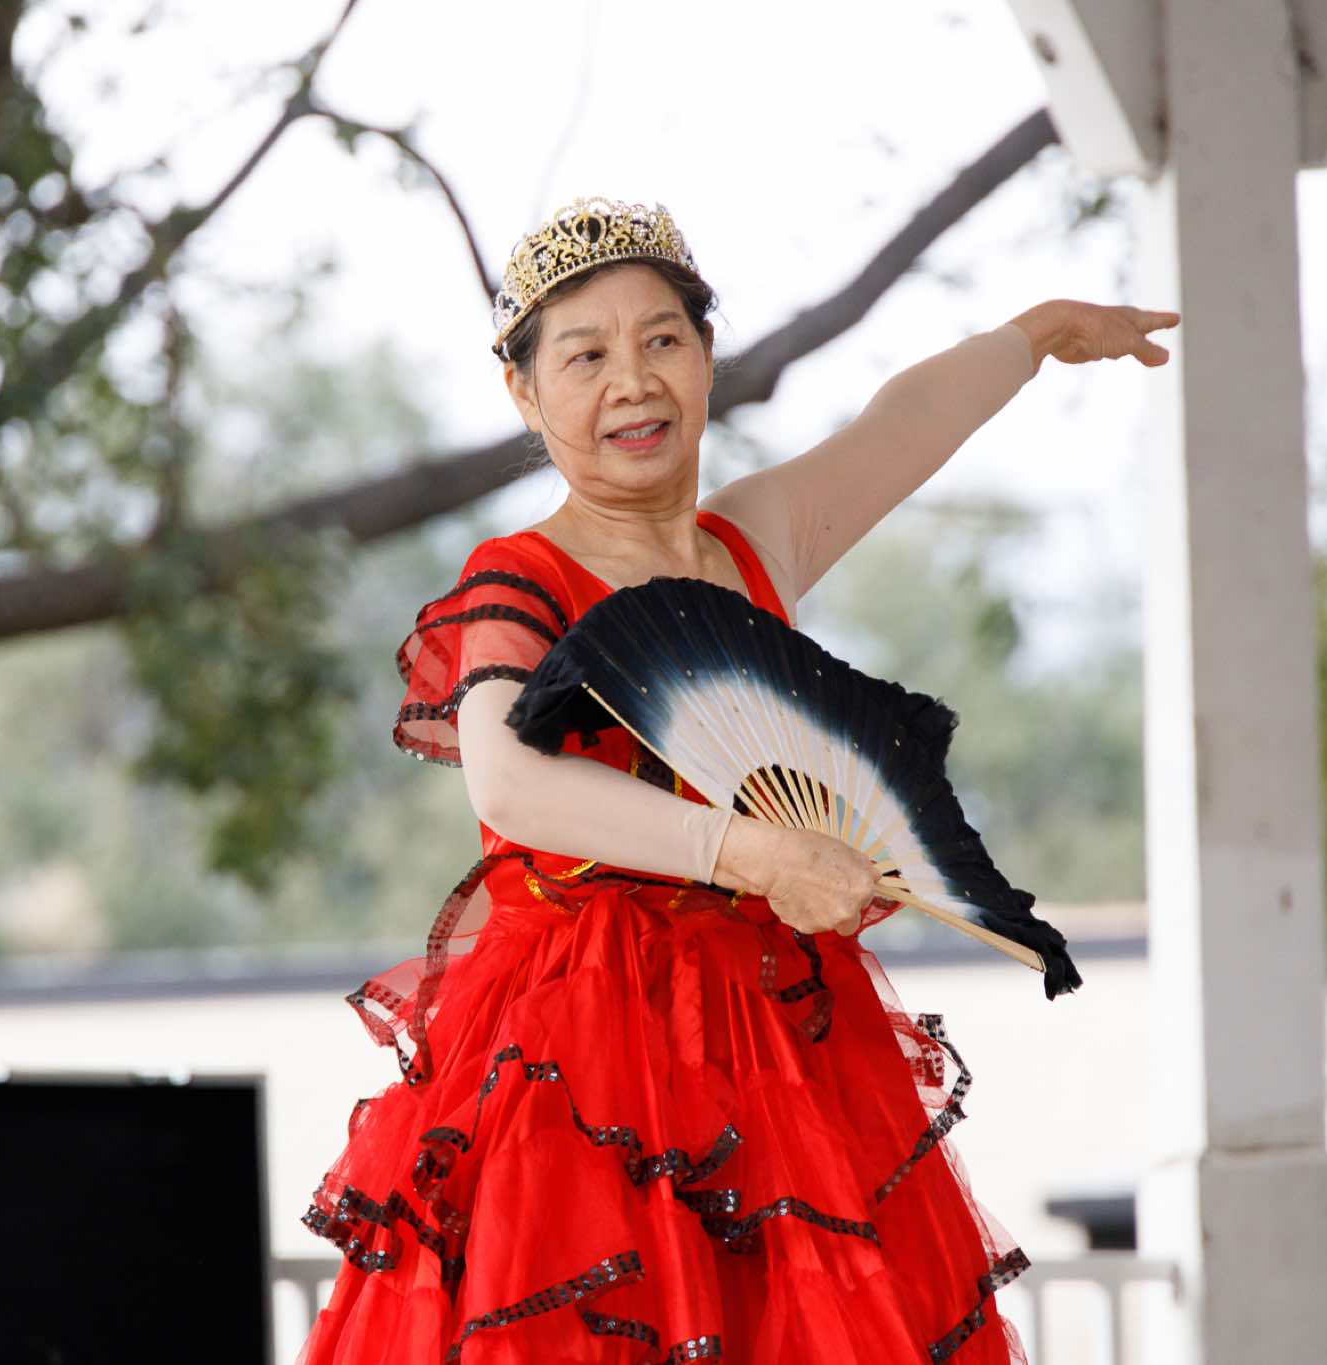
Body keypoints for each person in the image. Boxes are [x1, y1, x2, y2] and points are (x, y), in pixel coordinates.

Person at [297, 196, 1178, 1364]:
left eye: (661, 340)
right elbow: (505, 784)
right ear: (523, 392)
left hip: (778, 1047)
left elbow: (898, 427)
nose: (633, 382)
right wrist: (753, 853)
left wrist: (1033, 335)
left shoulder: (749, 542)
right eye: (586, 356)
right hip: (577, 1057)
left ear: (706, 357)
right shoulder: (518, 575)